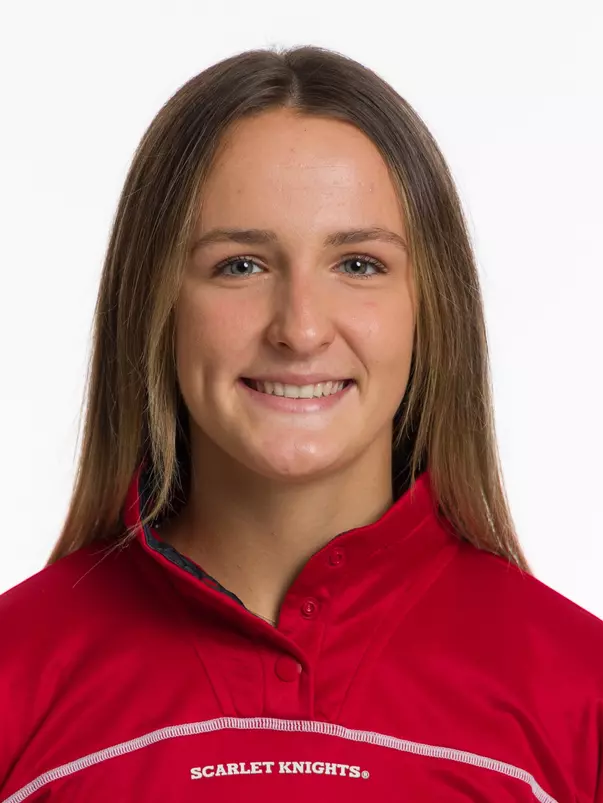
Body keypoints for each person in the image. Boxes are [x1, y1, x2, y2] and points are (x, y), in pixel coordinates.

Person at [0, 44, 601, 803]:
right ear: (154, 305)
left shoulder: (581, 698)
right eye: (240, 265)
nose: (301, 328)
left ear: (430, 308)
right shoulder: (13, 680)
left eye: (357, 264)